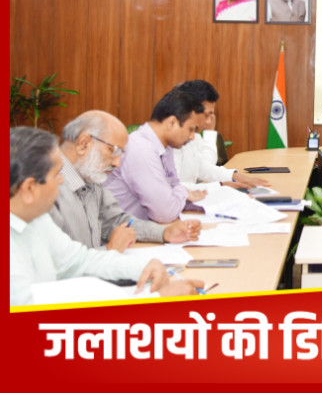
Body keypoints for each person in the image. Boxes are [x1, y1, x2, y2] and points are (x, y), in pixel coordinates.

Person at [10, 127, 203, 306]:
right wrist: (155, 299)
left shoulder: (36, 219)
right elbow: (33, 307)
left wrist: (143, 266)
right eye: (55, 175)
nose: (61, 180)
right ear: (29, 189)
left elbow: (79, 261)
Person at [49, 111, 201, 252]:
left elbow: (117, 221)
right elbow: (58, 262)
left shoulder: (91, 178)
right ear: (84, 144)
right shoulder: (47, 188)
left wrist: (164, 233)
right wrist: (110, 250)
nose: (117, 163)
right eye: (113, 151)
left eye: (121, 154)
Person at [105, 89, 207, 223]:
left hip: (143, 228)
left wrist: (175, 193)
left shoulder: (165, 146)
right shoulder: (141, 149)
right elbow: (165, 213)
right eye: (191, 129)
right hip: (120, 231)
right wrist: (183, 193)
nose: (192, 137)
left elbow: (173, 185)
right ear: (171, 123)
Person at [171, 80, 270, 188]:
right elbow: (173, 188)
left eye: (211, 115)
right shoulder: (170, 139)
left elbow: (201, 167)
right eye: (206, 115)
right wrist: (220, 185)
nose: (209, 121)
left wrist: (237, 177)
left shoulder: (191, 135)